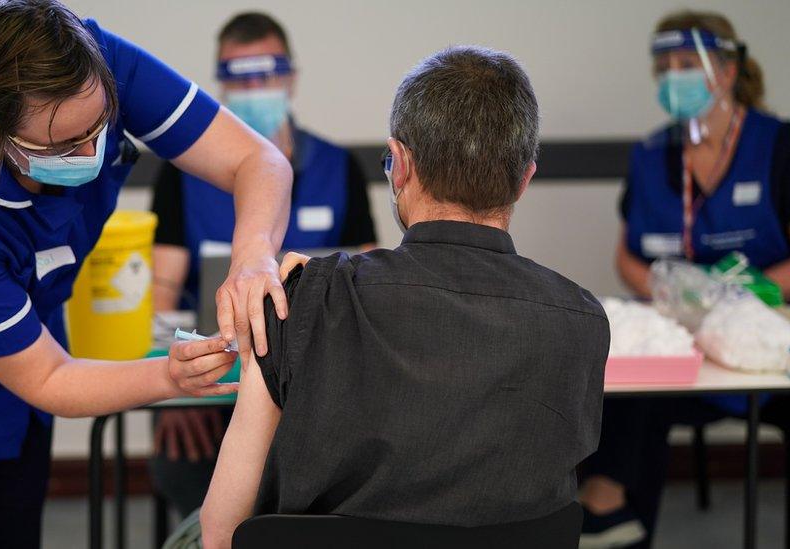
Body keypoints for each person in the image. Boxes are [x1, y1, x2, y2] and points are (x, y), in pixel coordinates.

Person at [0, 1, 293, 546]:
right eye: (61, 148)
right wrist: (169, 378)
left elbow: (258, 162)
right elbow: (49, 377)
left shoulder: (85, 59)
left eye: (100, 128)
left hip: (19, 357)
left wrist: (253, 257)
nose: (91, 153)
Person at [197, 46, 610, 549]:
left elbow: (221, 535)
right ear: (524, 179)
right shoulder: (582, 321)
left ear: (401, 165)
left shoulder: (303, 301)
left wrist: (312, 293)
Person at [580, 10, 790, 548]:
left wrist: (742, 297)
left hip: (759, 343)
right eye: (664, 68)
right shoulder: (652, 155)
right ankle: (609, 511)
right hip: (683, 339)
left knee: (648, 400)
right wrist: (668, 294)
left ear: (727, 71)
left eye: (687, 64)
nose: (672, 78)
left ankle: (610, 513)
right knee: (622, 381)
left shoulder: (780, 147)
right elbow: (626, 257)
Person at [148, 11, 378, 518]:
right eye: (238, 75)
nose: (254, 85)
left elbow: (369, 288)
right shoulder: (180, 177)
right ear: (220, 87)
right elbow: (162, 292)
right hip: (214, 384)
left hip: (321, 388)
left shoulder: (339, 168)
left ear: (290, 77)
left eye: (266, 71)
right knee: (189, 474)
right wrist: (172, 390)